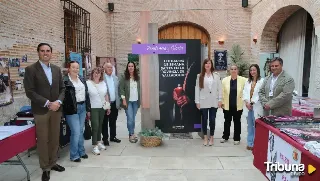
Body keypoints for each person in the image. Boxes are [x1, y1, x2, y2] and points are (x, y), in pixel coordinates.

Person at [23, 43, 65, 181]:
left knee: (54, 138)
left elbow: (62, 89)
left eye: (48, 51)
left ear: (51, 53)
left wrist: (58, 102)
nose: (45, 53)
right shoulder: (31, 69)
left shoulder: (56, 69)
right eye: (42, 51)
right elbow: (30, 92)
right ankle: (45, 168)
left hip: (56, 110)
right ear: (38, 52)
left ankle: (53, 163)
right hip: (41, 110)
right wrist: (47, 103)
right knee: (42, 140)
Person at [63, 61, 91, 162]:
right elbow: (63, 97)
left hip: (82, 107)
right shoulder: (65, 81)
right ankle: (74, 155)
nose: (75, 69)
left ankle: (81, 151)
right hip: (72, 109)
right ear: (69, 69)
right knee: (75, 132)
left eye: (77, 67)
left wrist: (88, 108)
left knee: (80, 131)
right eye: (73, 67)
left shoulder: (82, 79)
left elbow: (86, 94)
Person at [195, 59, 222, 146]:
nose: (207, 64)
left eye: (209, 63)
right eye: (206, 63)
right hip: (203, 101)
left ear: (211, 65)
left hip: (214, 101)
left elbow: (219, 89)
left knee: (212, 120)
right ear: (204, 65)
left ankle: (212, 137)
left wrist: (220, 100)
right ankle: (205, 137)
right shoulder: (200, 76)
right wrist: (197, 101)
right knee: (204, 119)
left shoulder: (216, 75)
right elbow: (197, 89)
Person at [220, 64, 247, 145]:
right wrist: (222, 102)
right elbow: (222, 92)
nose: (233, 70)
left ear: (237, 70)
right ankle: (225, 137)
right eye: (232, 69)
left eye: (235, 69)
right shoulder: (225, 80)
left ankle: (237, 138)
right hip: (227, 105)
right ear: (229, 71)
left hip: (237, 105)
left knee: (237, 122)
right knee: (227, 122)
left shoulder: (243, 80)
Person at [86, 67, 110, 155]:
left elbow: (106, 95)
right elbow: (86, 97)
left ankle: (99, 142)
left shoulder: (103, 83)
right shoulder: (88, 83)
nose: (97, 74)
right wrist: (87, 110)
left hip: (102, 107)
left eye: (98, 73)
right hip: (93, 107)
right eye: (95, 73)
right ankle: (94, 145)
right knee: (95, 125)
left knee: (100, 125)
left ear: (101, 75)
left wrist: (108, 107)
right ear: (92, 74)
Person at [242, 64, 264, 150]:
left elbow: (261, 94)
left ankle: (256, 143)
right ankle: (250, 143)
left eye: (254, 70)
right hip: (248, 107)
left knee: (256, 126)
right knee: (249, 126)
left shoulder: (262, 81)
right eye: (251, 70)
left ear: (258, 71)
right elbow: (244, 93)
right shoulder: (248, 82)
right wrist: (247, 102)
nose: (252, 72)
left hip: (256, 106)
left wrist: (252, 102)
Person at [119, 61, 140, 143]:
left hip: (136, 101)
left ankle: (132, 133)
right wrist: (124, 100)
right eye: (129, 66)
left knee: (133, 119)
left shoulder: (137, 77)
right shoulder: (124, 77)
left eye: (132, 66)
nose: (130, 67)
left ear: (134, 67)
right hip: (128, 101)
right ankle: (131, 134)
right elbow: (121, 89)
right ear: (127, 68)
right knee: (130, 119)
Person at [102, 62, 121, 146]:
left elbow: (118, 91)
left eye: (111, 67)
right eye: (108, 67)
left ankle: (113, 137)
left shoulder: (115, 78)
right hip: (106, 104)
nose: (110, 69)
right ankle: (105, 138)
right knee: (105, 122)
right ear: (104, 68)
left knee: (113, 121)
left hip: (114, 103)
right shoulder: (101, 78)